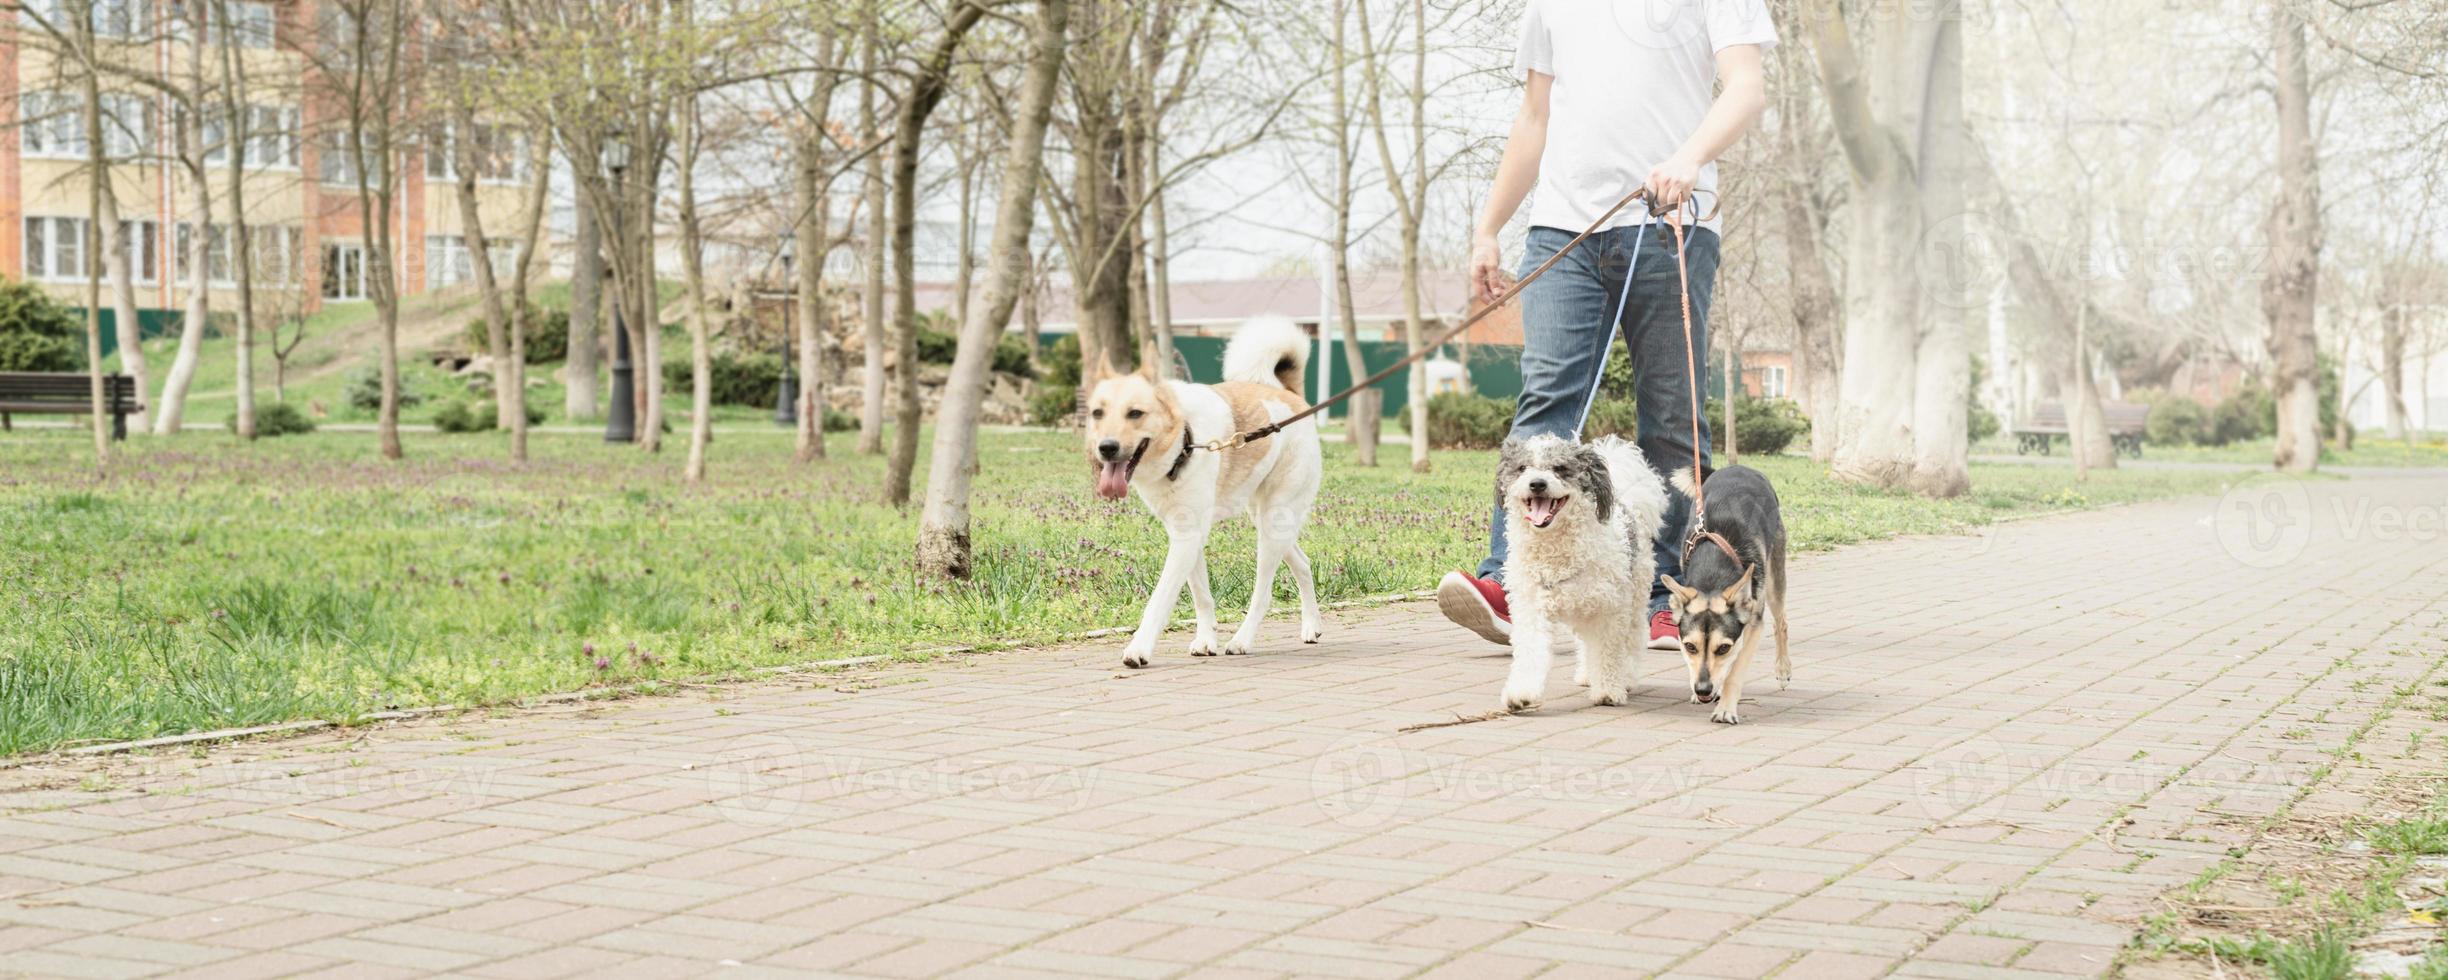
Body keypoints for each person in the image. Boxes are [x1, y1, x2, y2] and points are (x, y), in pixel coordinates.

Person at [1437, 0, 1773, 652]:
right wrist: (1488, 227)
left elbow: (1747, 87)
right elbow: (1534, 118)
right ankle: (1513, 580)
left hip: (1671, 225)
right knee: (1547, 404)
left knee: (1673, 420)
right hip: (1565, 232)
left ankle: (1668, 597)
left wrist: (1690, 156)